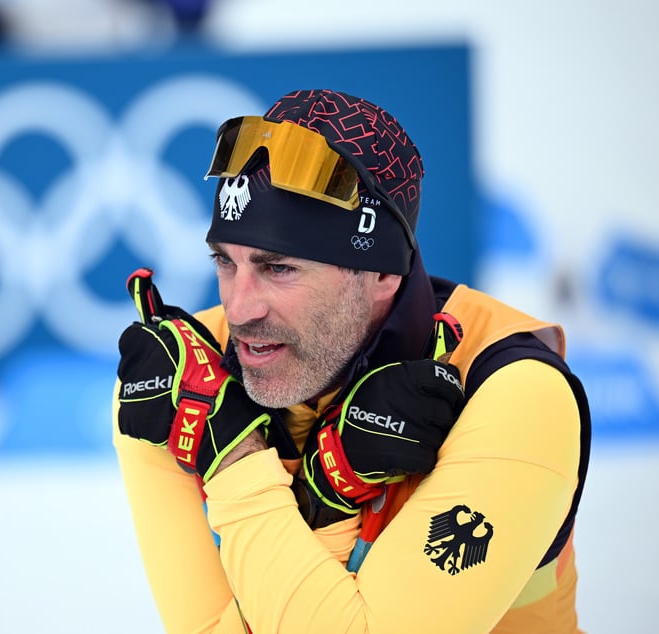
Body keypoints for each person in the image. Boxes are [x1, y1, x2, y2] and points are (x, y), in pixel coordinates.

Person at [113, 89, 590, 633]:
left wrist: (233, 465)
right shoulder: (179, 373)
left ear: (384, 273)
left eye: (279, 269)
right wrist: (319, 497)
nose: (239, 307)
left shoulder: (515, 394)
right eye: (225, 261)